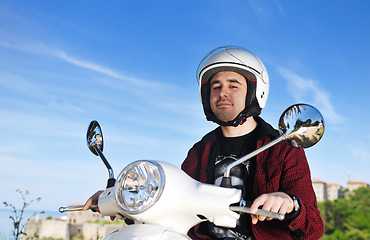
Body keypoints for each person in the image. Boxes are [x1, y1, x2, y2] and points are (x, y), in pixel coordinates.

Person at [84, 46, 324, 240]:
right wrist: (118, 197)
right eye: (215, 86)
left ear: (254, 91)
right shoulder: (200, 151)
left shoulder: (281, 148)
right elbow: (172, 198)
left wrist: (289, 203)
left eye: (233, 85)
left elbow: (314, 227)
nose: (222, 93)